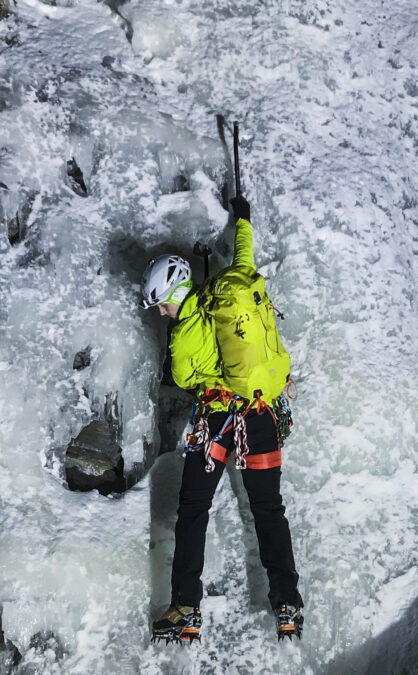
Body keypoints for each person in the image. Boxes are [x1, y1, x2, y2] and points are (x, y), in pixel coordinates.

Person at [140, 195, 304, 645]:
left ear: (175, 295)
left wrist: (195, 354)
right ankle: (287, 605)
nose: (161, 312)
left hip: (217, 422)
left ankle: (185, 610)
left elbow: (183, 377)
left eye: (162, 304)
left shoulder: (185, 330)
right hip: (261, 414)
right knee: (269, 509)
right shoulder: (228, 287)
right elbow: (244, 254)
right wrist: (244, 219)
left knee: (193, 511)